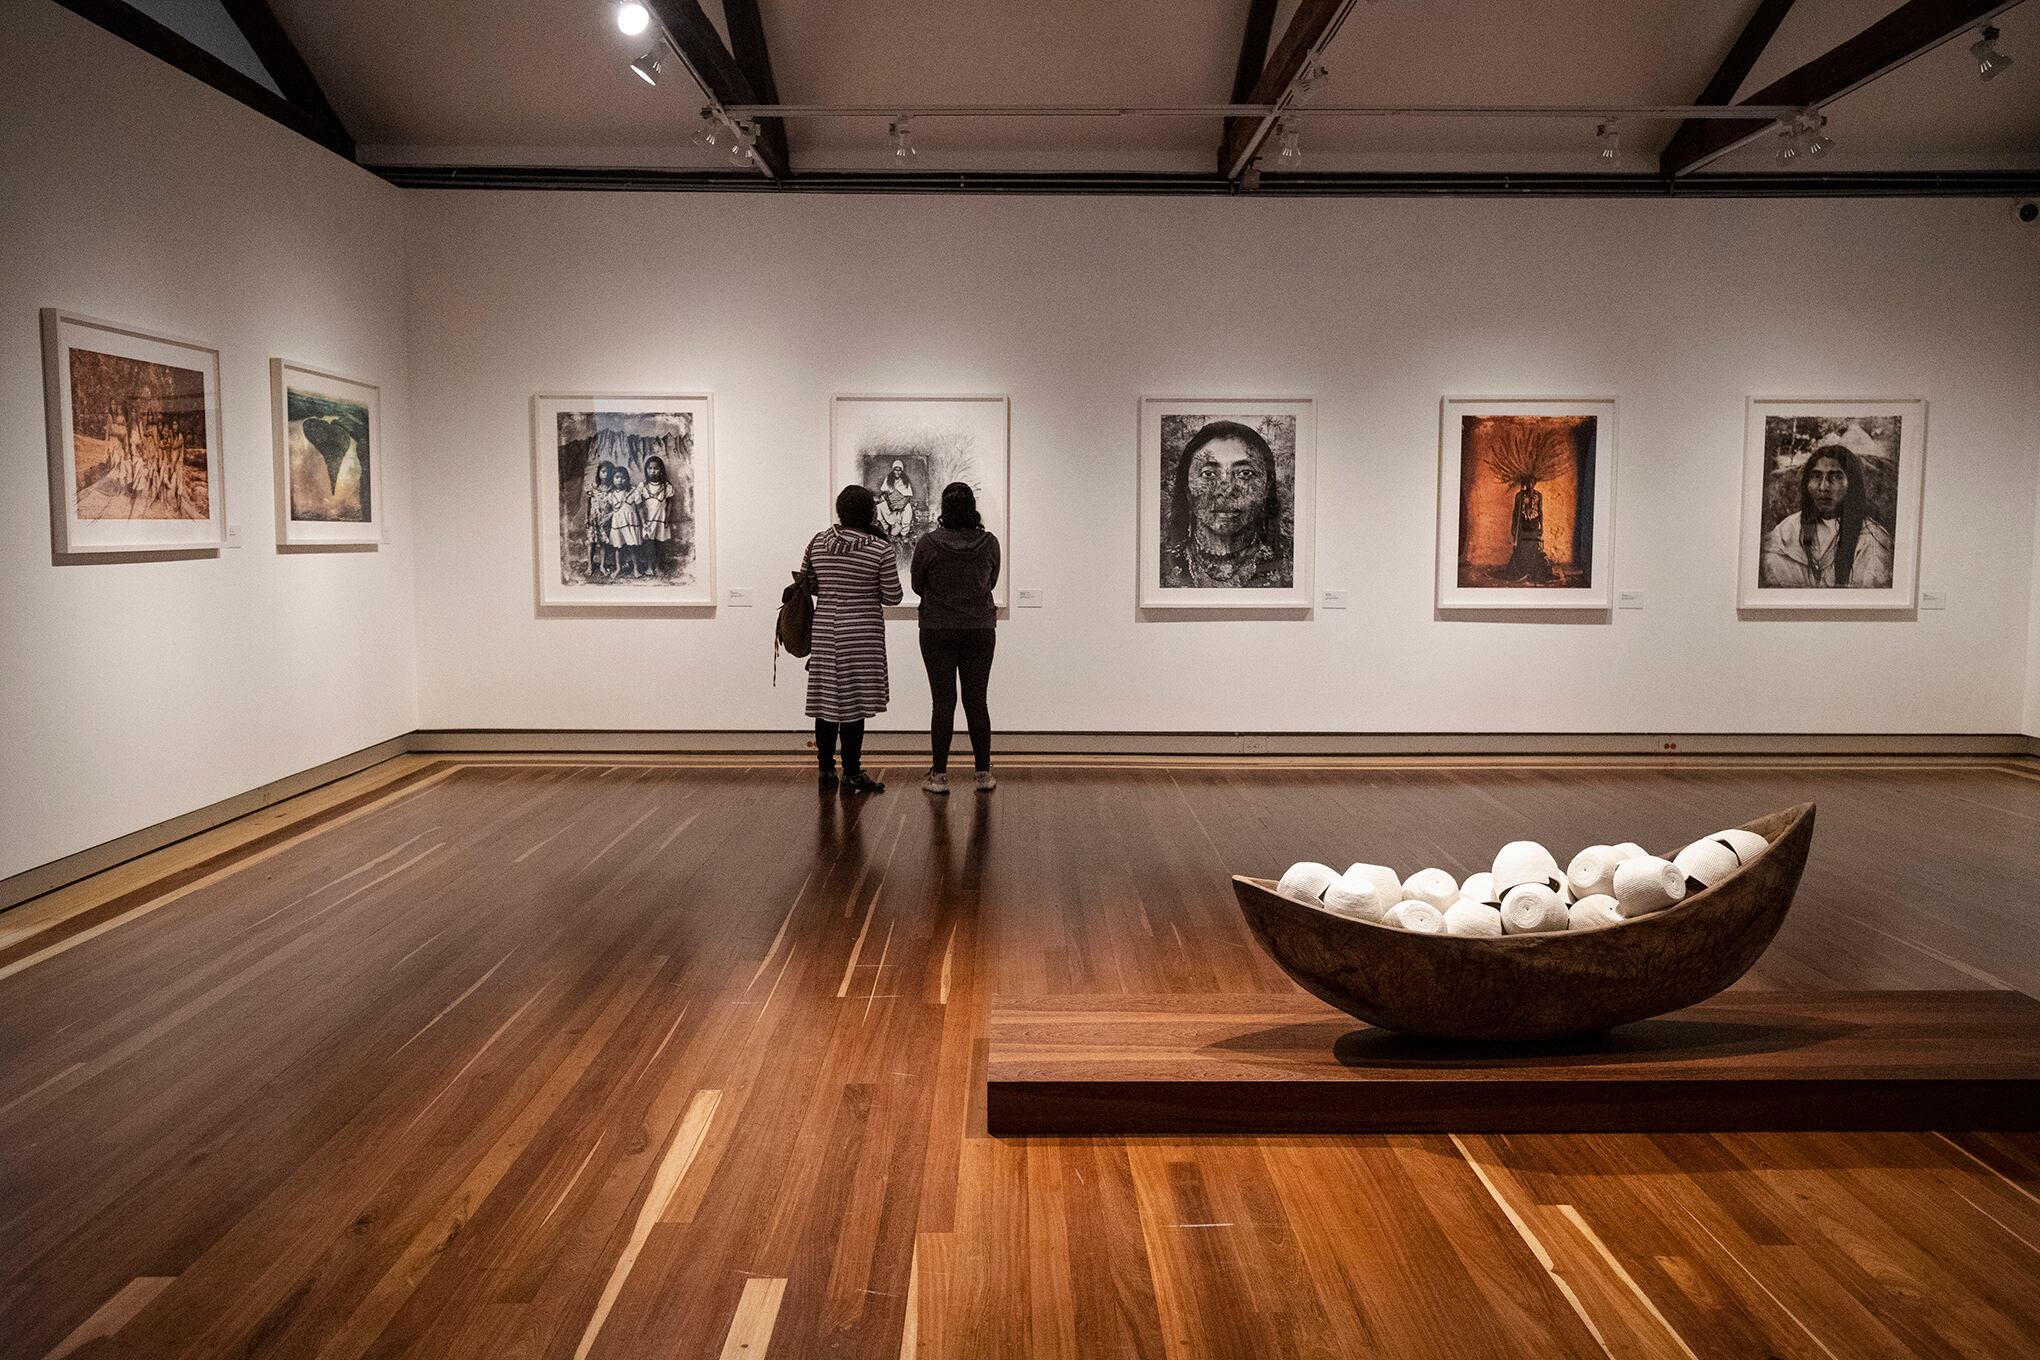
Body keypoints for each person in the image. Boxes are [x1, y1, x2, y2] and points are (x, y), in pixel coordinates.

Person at [803, 484, 902, 794]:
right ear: (870, 512)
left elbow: (809, 583)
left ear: (840, 511)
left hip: (825, 630)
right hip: (862, 633)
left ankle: (825, 771)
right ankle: (852, 772)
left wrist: (833, 588)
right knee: (854, 705)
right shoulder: (879, 548)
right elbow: (893, 596)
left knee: (827, 702)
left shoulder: (818, 542)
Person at [911, 482, 1000, 793]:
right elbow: (991, 580)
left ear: (944, 508)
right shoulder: (989, 542)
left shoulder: (927, 544)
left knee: (943, 702)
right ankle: (982, 774)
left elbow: (916, 586)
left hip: (936, 628)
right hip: (979, 628)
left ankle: (939, 775)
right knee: (977, 701)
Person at [1161, 420, 1292, 588]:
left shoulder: (1291, 565)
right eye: (1208, 474)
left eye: (1245, 473)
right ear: (1187, 487)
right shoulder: (1162, 564)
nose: (1226, 489)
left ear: (1267, 486)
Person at [1760, 441, 1893, 589]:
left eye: (1835, 477)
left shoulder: (1870, 540)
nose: (1823, 487)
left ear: (1852, 484)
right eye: (1816, 476)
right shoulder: (1785, 531)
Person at [635, 454, 676, 577]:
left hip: (661, 520)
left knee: (660, 544)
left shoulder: (666, 486)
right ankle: (649, 567)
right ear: (646, 470)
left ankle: (658, 566)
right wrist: (643, 521)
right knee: (649, 544)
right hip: (648, 521)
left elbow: (670, 504)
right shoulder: (643, 486)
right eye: (650, 468)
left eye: (656, 468)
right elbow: (639, 505)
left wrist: (667, 518)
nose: (653, 471)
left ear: (661, 470)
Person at [1505, 481, 1553, 583]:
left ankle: (1531, 570)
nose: (1530, 485)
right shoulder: (1519, 496)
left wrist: (1542, 526)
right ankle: (1522, 570)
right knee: (1522, 547)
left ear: (1535, 483)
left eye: (1532, 482)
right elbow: (1515, 512)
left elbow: (1540, 511)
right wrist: (1513, 527)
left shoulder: (1538, 495)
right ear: (1525, 483)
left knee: (1533, 547)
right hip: (1522, 526)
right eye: (1528, 482)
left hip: (1534, 526)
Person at [878, 460, 916, 541]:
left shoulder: (905, 481)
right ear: (893, 470)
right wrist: (890, 504)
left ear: (901, 471)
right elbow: (885, 493)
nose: (897, 472)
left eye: (899, 470)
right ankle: (886, 528)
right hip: (891, 502)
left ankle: (904, 533)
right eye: (896, 469)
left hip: (902, 502)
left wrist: (902, 506)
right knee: (879, 507)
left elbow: (908, 496)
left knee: (908, 509)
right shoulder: (888, 479)